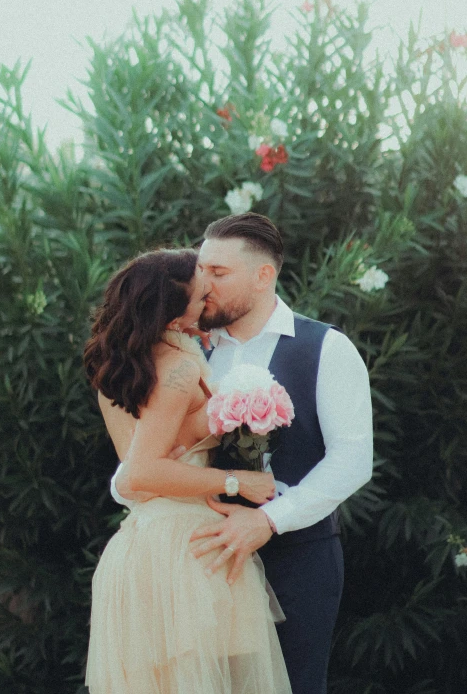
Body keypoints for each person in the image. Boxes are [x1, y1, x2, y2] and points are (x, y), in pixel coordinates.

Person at [83, 247, 292, 694]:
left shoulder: (118, 371)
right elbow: (140, 474)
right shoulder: (177, 369)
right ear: (174, 317)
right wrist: (238, 481)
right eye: (200, 297)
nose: (208, 300)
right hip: (187, 552)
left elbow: (133, 481)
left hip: (142, 546)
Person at [187, 213, 374, 694]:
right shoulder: (191, 352)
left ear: (263, 275)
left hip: (300, 560)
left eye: (218, 273)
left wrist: (269, 520)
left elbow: (352, 459)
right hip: (208, 556)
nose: (202, 284)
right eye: (201, 269)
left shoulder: (326, 348)